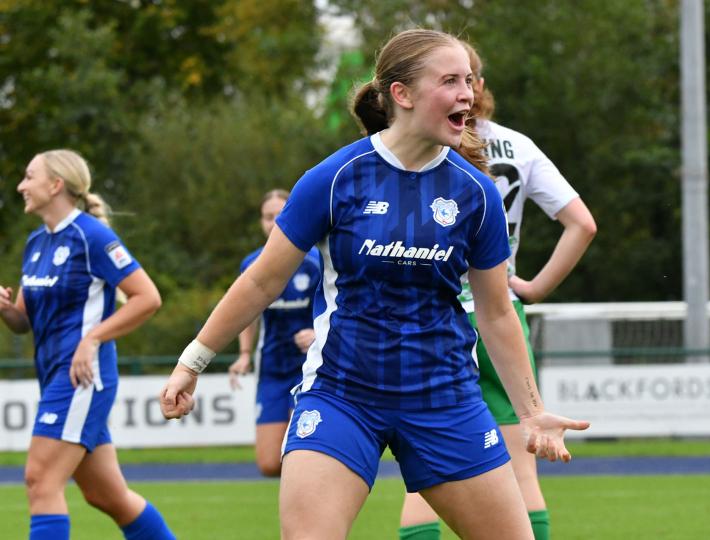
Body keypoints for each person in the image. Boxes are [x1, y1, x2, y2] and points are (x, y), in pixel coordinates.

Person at [159, 28, 589, 540]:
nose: (467, 95)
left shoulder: (477, 193)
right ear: (401, 95)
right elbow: (259, 283)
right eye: (449, 81)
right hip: (344, 394)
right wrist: (193, 361)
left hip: (444, 397)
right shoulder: (335, 177)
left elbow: (496, 313)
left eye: (468, 81)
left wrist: (533, 413)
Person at [398, 40, 598, 540]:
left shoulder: (421, 142)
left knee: (422, 478)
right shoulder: (517, 146)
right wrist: (533, 288)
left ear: (473, 85)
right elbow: (582, 224)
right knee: (522, 465)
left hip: (435, 311)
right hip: (500, 310)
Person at [0, 149, 175, 540]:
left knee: (40, 480)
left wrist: (92, 338)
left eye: (29, 176)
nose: (21, 186)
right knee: (107, 496)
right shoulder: (36, 244)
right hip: (56, 378)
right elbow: (23, 323)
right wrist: (6, 309)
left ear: (55, 185)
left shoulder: (92, 236)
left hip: (80, 380)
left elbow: (148, 297)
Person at [228, 189, 321, 476]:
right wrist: (244, 353)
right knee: (269, 463)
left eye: (280, 215)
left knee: (300, 453)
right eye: (268, 217)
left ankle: (315, 508)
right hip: (271, 368)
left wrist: (318, 333)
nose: (274, 222)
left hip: (308, 368)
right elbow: (246, 311)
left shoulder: (316, 260)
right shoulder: (252, 264)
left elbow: (338, 305)